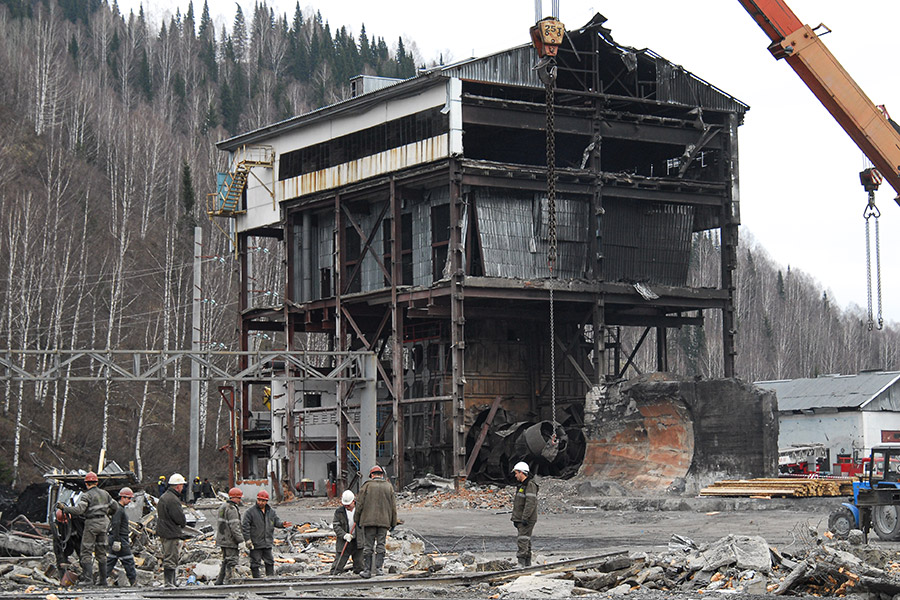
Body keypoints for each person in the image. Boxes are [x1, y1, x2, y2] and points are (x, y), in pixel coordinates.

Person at [56, 471, 116, 586]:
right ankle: (103, 581)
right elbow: (115, 507)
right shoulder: (105, 494)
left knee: (86, 552)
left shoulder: (87, 495)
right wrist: (106, 512)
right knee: (102, 553)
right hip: (103, 524)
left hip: (91, 524)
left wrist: (65, 508)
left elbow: (79, 510)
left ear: (86, 483)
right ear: (96, 482)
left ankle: (88, 580)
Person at [354, 465, 398, 578]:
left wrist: (357, 519)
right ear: (382, 475)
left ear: (372, 475)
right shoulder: (389, 487)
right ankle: (379, 570)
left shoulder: (367, 486)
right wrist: (393, 522)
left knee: (368, 546)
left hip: (368, 522)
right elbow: (393, 507)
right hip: (384, 522)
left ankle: (367, 571)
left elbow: (359, 505)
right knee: (381, 545)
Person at [241, 490, 292, 578]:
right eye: (259, 500)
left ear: (266, 501)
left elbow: (276, 521)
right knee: (255, 563)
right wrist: (247, 540)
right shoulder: (250, 512)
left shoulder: (271, 512)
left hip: (267, 542)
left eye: (263, 501)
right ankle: (256, 581)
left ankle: (270, 579)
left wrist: (282, 524)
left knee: (269, 561)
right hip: (255, 543)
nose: (261, 502)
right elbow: (245, 527)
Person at [157, 473, 187, 587]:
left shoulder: (165, 496)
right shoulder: (172, 499)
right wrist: (183, 523)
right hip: (170, 532)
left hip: (165, 531)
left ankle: (171, 581)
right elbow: (179, 517)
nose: (183, 488)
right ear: (178, 486)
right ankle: (169, 582)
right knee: (171, 557)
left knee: (169, 556)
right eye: (182, 485)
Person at [106, 487, 138, 586]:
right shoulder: (119, 510)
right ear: (123, 498)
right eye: (128, 498)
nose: (129, 501)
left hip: (118, 538)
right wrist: (117, 540)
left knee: (111, 560)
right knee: (128, 560)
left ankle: (101, 580)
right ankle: (133, 582)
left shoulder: (120, 509)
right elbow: (116, 525)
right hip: (120, 539)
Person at [510, 461, 538, 567]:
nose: (515, 475)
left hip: (526, 518)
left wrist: (525, 518)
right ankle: (527, 563)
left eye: (516, 473)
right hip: (521, 518)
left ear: (522, 473)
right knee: (526, 540)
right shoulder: (522, 485)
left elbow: (530, 503)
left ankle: (521, 563)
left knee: (522, 539)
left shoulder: (530, 485)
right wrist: (515, 518)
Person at [214, 487, 245, 585]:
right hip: (230, 540)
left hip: (222, 539)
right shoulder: (232, 509)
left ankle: (219, 581)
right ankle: (229, 582)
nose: (240, 500)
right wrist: (240, 540)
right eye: (239, 498)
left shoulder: (223, 507)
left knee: (225, 560)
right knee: (231, 561)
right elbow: (234, 527)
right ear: (234, 497)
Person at [330, 490, 364, 575]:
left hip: (358, 540)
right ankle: (334, 576)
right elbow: (336, 525)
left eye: (348, 505)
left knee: (360, 564)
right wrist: (344, 535)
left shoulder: (361, 510)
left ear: (353, 501)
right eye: (345, 505)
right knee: (338, 563)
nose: (347, 507)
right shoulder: (339, 512)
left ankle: (358, 579)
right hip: (344, 541)